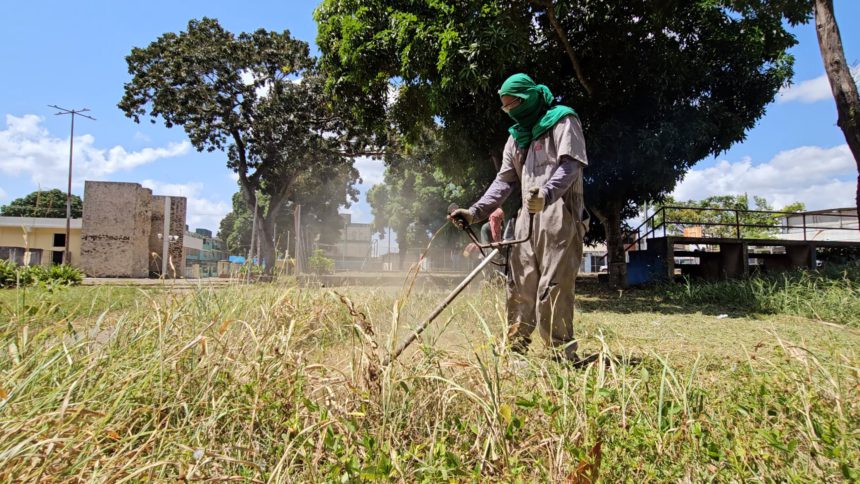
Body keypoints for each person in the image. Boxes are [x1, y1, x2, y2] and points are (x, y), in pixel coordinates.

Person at [448, 73, 589, 363]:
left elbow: (571, 165)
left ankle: (560, 353)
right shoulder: (516, 137)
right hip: (527, 215)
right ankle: (516, 346)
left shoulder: (563, 120)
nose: (512, 111)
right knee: (520, 281)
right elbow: (503, 182)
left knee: (555, 284)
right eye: (507, 107)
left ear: (530, 98)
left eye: (515, 104)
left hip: (560, 211)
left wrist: (546, 195)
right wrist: (475, 212)